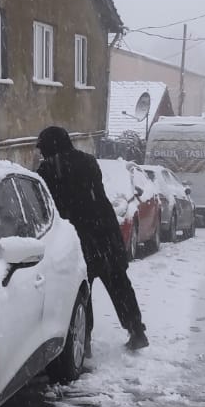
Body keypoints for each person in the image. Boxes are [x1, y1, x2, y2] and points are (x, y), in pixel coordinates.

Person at [35, 126, 149, 350]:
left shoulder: (49, 169)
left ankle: (83, 340)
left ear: (50, 147)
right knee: (119, 285)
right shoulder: (88, 161)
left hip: (80, 239)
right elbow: (92, 192)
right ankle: (136, 331)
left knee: (81, 290)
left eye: (43, 149)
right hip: (105, 233)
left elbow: (49, 205)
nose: (42, 154)